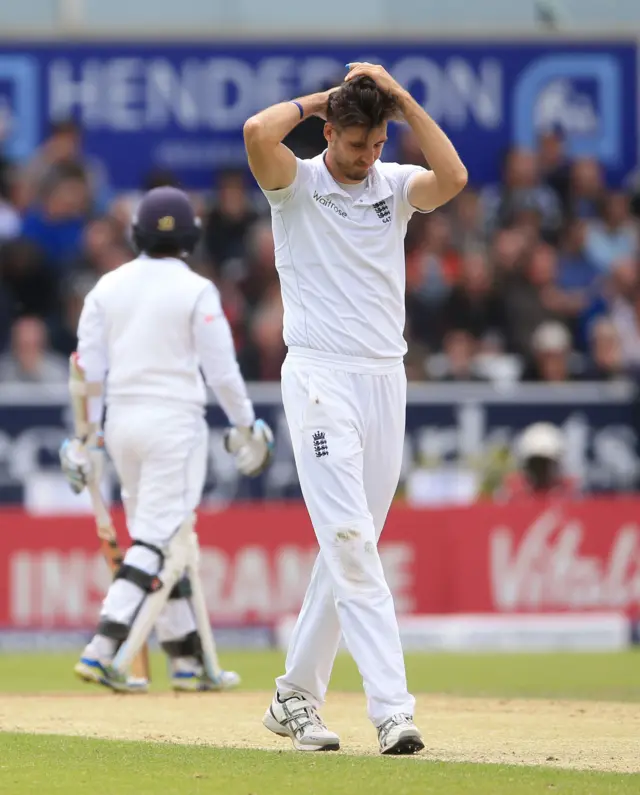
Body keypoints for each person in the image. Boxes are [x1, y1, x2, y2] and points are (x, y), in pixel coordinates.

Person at [244, 63, 467, 754]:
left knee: (349, 547)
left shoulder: (394, 185)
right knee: (352, 543)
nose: (366, 158)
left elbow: (453, 178)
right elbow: (256, 130)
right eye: (354, 144)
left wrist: (401, 99)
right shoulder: (298, 185)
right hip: (319, 379)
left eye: (375, 145)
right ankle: (392, 710)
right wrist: (321, 99)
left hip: (383, 379)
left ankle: (294, 697)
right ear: (328, 130)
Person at [58, 186, 273, 692]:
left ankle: (187, 662)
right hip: (174, 424)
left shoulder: (106, 288)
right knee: (156, 538)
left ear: (135, 234)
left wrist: (85, 438)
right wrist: (246, 425)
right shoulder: (197, 290)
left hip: (123, 424)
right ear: (192, 238)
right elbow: (221, 370)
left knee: (164, 537)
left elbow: (86, 371)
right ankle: (102, 650)